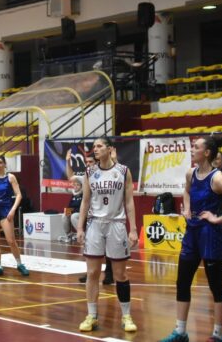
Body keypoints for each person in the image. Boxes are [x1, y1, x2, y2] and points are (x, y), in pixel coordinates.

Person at [160, 136, 222, 342]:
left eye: (195, 147)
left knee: (216, 286)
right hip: (192, 232)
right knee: (182, 282)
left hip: (210, 234)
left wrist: (218, 219)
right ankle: (180, 332)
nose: (191, 149)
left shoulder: (217, 178)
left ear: (206, 153)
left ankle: (218, 335)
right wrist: (187, 208)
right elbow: (186, 191)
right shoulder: (191, 173)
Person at [76, 136, 138, 333]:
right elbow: (85, 201)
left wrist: (133, 229)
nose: (95, 149)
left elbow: (129, 201)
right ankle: (92, 316)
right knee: (92, 273)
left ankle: (126, 316)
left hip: (116, 224)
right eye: (94, 146)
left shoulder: (123, 171)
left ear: (110, 149)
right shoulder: (90, 172)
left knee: (120, 274)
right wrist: (80, 227)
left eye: (99, 146)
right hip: (95, 224)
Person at [68, 149, 114, 285]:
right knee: (90, 246)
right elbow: (70, 177)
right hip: (92, 217)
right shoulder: (86, 176)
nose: (88, 164)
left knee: (108, 247)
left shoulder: (107, 174)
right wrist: (67, 161)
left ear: (97, 162)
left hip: (107, 215)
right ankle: (90, 273)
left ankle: (109, 273)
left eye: (90, 162)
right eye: (86, 162)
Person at [59, 176, 83, 242]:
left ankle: (82, 235)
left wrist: (72, 211)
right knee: (64, 215)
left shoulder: (83, 194)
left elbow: (81, 207)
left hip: (81, 212)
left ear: (81, 186)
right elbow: (70, 206)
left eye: (78, 185)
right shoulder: (74, 194)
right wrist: (67, 211)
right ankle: (69, 235)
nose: (76, 186)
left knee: (73, 216)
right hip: (74, 211)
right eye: (74, 185)